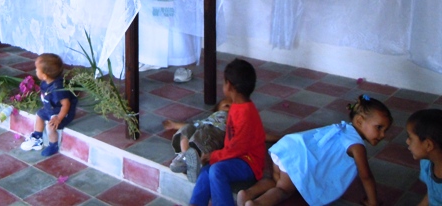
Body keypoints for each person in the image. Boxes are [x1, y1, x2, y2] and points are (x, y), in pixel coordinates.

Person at [237, 94, 393, 206]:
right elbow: (366, 176)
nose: (382, 135)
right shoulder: (357, 146)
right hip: (298, 160)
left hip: (288, 150)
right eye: (378, 128)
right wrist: (373, 202)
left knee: (275, 181)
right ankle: (256, 203)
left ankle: (247, 194)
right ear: (359, 121)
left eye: (385, 130)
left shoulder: (344, 128)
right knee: (283, 191)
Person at [189, 58, 267, 206]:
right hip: (235, 157)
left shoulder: (246, 114)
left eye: (224, 82)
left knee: (217, 170)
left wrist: (215, 156)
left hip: (249, 163)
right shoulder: (237, 106)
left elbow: (237, 149)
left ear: (229, 85)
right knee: (207, 171)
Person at [20, 53, 77, 157]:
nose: (35, 70)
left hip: (61, 113)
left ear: (44, 75)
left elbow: (66, 105)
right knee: (39, 115)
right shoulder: (46, 82)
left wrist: (59, 118)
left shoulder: (57, 89)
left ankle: (53, 145)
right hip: (51, 109)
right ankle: (37, 137)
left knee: (50, 127)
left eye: (37, 69)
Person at [166, 98, 231, 182]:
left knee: (201, 137)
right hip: (201, 131)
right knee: (187, 128)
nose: (230, 109)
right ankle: (185, 155)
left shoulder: (230, 120)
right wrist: (174, 125)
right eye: (227, 106)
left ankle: (192, 160)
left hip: (214, 133)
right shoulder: (208, 120)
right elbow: (193, 125)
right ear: (216, 110)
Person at [406, 109, 442, 206]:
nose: (407, 141)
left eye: (410, 138)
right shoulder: (426, 164)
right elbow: (432, 194)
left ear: (428, 145)